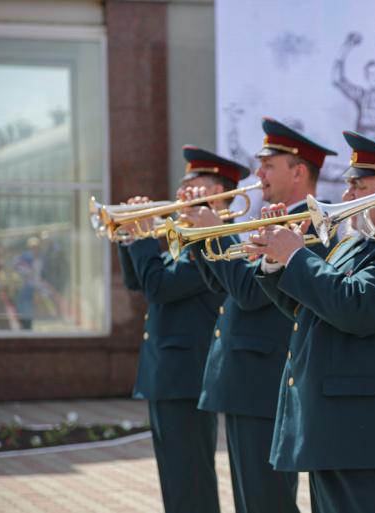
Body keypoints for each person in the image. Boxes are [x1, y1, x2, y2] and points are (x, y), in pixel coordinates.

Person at [243, 131, 375, 513]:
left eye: (359, 186)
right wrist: (275, 261)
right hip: (339, 432)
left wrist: (296, 257)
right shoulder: (354, 245)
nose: (346, 195)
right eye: (350, 185)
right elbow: (309, 309)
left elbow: (357, 308)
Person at [181, 121, 336, 513]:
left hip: (266, 379)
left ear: (298, 172)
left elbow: (251, 293)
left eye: (268, 165)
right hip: (247, 380)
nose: (258, 173)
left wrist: (216, 231)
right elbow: (222, 284)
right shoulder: (274, 220)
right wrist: (202, 235)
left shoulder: (312, 225)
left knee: (266, 501)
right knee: (252, 501)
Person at [116, 146, 240, 513]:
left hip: (187, 373)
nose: (182, 194)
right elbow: (138, 282)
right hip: (167, 371)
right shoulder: (186, 237)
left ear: (218, 193)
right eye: (183, 186)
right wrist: (130, 236)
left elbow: (160, 287)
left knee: (190, 479)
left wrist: (143, 237)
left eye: (193, 186)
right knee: (175, 477)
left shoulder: (216, 240)